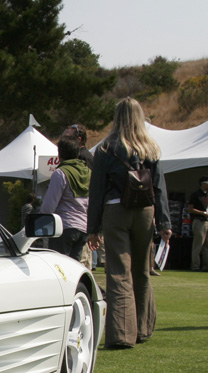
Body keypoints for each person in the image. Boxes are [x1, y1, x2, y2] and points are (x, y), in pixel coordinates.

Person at [87, 97, 172, 349]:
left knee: (118, 272)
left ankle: (122, 333)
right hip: (145, 211)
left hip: (116, 211)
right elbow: (160, 188)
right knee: (142, 272)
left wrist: (93, 228)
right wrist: (165, 222)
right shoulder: (151, 147)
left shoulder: (106, 149)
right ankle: (143, 329)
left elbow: (97, 191)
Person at [41, 133, 90, 262]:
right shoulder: (88, 172)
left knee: (59, 268)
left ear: (59, 154)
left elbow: (48, 206)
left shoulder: (60, 173)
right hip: (83, 227)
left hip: (65, 227)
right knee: (75, 270)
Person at [186, 176, 208, 271]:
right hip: (199, 221)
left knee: (207, 246)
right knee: (198, 245)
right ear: (202, 184)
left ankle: (206, 266)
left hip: (207, 221)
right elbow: (190, 208)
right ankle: (195, 266)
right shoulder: (195, 194)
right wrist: (203, 213)